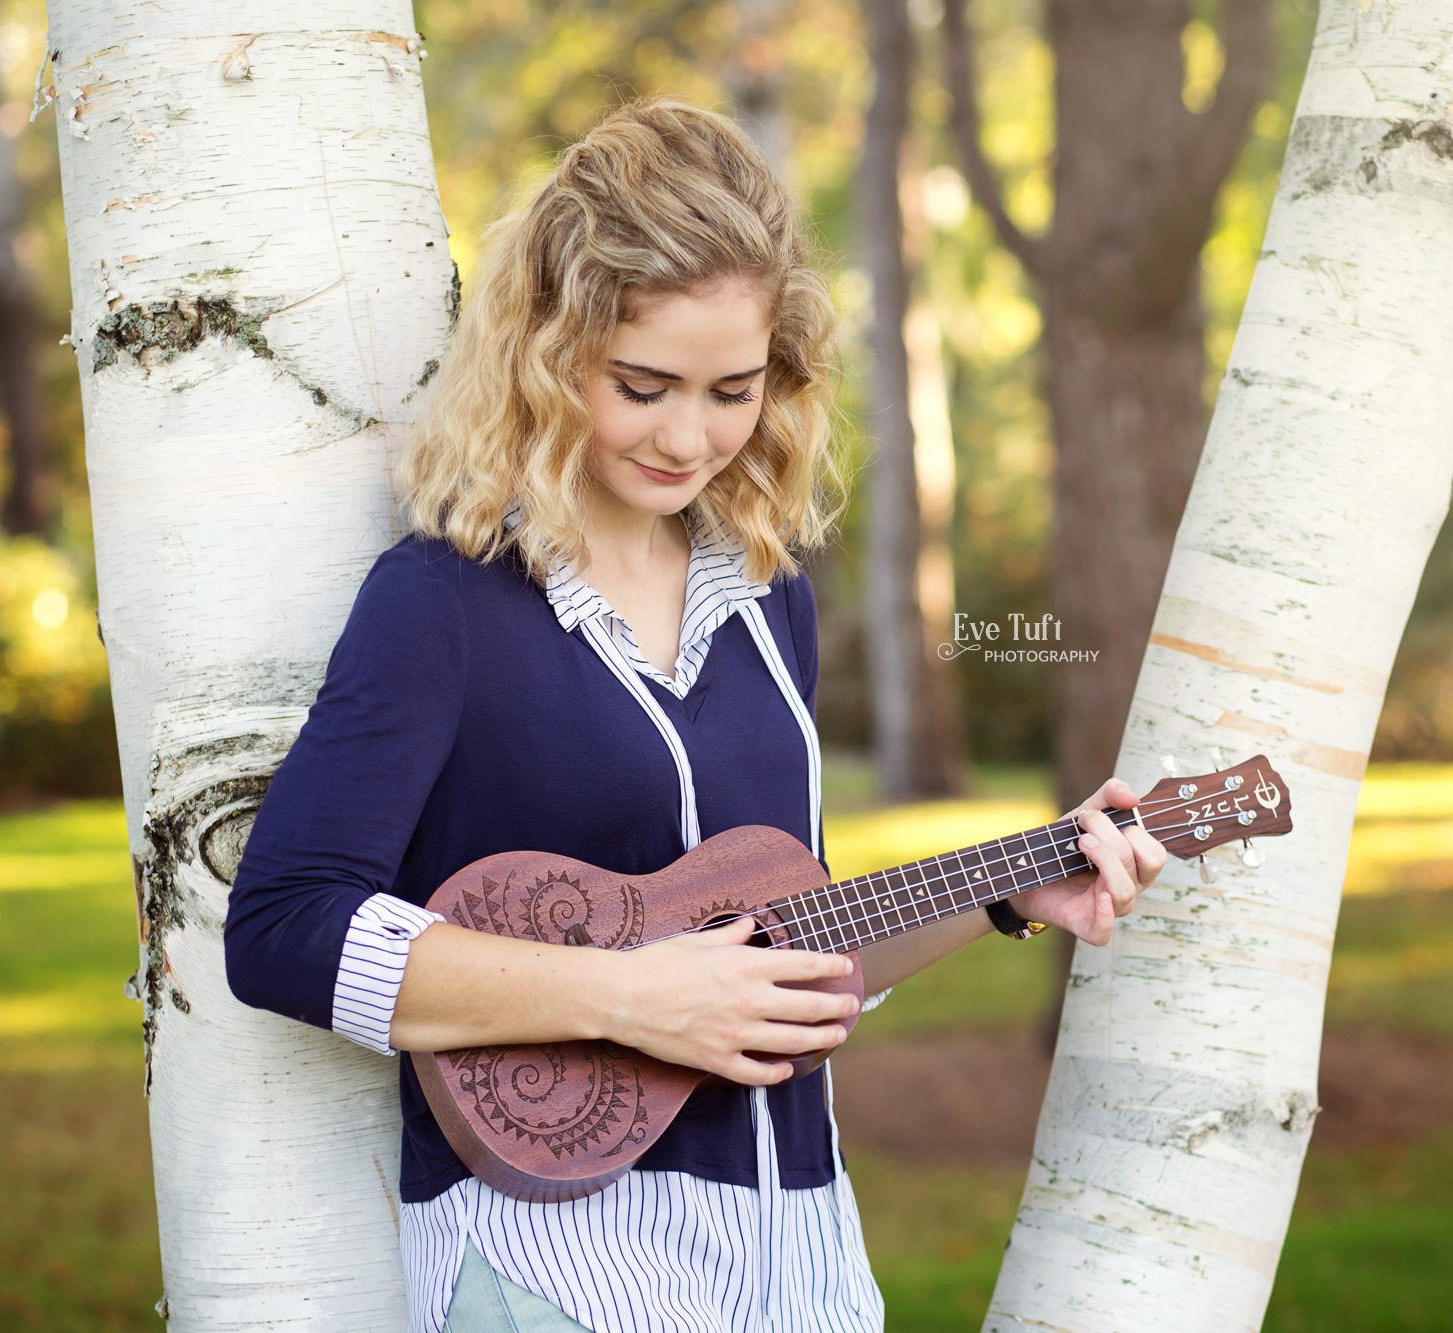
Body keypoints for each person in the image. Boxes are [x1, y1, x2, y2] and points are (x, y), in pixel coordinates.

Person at [223, 93, 1167, 1333]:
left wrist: (1007, 889)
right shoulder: (444, 601)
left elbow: (774, 947)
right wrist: (624, 997)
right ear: (547, 350)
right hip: (557, 1271)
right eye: (644, 384)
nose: (690, 436)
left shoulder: (771, 606)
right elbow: (284, 928)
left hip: (798, 1265)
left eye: (732, 391)